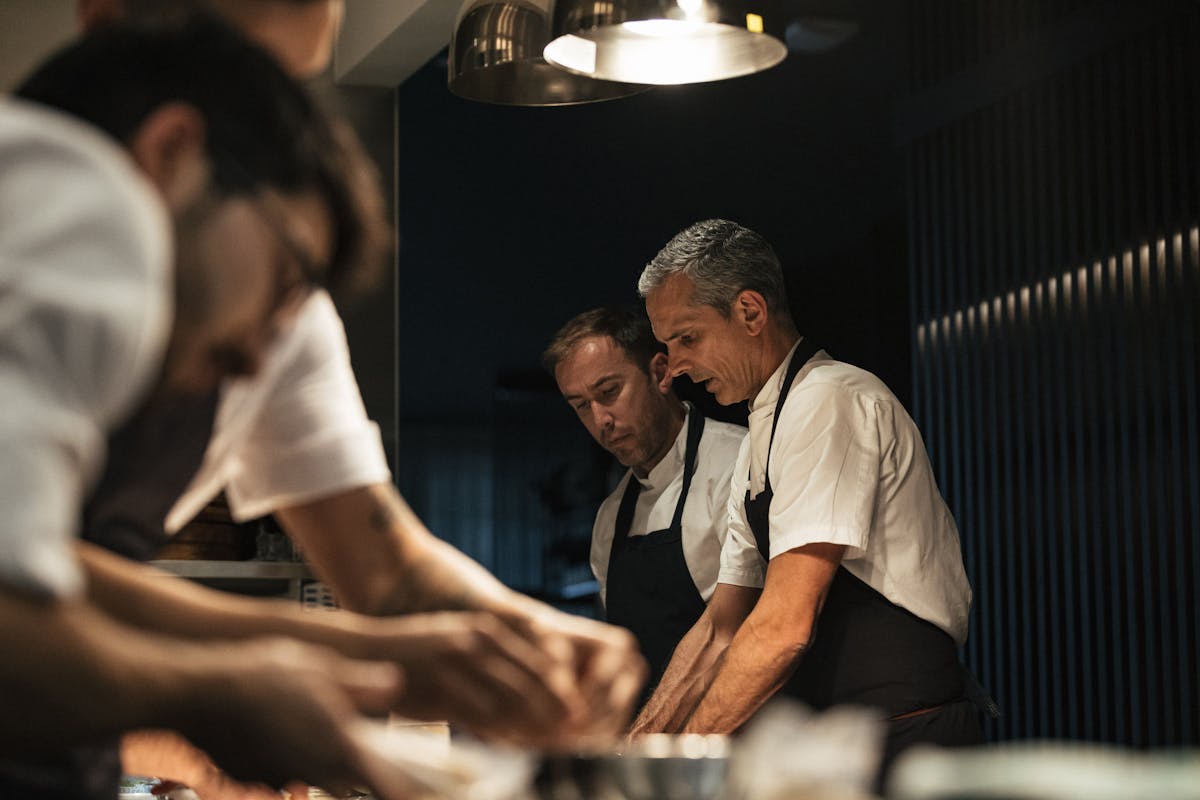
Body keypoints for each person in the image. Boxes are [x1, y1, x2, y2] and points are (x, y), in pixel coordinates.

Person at [66, 2, 644, 752]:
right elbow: (28, 582)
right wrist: (326, 657)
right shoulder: (39, 217)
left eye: (294, 85)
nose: (279, 128)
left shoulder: (277, 302)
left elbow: (387, 570)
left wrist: (529, 640)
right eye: (243, 78)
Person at [0, 16, 409, 800]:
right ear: (174, 150)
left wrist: (280, 655)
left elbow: (56, 577)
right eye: (287, 275)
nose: (259, 357)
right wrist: (211, 693)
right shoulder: (85, 199)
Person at [634, 219, 981, 782]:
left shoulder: (829, 398)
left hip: (906, 738)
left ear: (750, 312)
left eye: (687, 339)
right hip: (835, 746)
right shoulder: (761, 434)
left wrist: (679, 773)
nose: (674, 369)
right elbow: (719, 628)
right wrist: (634, 755)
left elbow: (783, 628)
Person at [544, 308, 746, 694]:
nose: (600, 420)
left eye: (609, 392)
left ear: (661, 373)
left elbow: (744, 638)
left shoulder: (737, 465)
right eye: (581, 405)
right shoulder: (610, 518)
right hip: (648, 726)